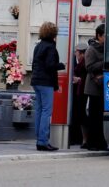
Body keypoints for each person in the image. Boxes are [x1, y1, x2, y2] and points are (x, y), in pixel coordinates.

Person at [30, 21, 65, 151]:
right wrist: (61, 65)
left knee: (39, 110)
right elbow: (50, 66)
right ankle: (43, 141)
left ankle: (39, 139)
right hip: (46, 82)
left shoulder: (38, 46)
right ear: (53, 33)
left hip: (36, 81)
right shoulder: (50, 47)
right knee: (46, 111)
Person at [84, 24, 109, 150]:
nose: (107, 38)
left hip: (105, 86)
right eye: (105, 36)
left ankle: (102, 142)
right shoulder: (91, 49)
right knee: (94, 117)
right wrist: (105, 63)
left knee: (101, 117)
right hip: (94, 87)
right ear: (99, 36)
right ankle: (91, 143)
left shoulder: (108, 48)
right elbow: (89, 67)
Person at [70, 42, 89, 148]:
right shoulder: (78, 62)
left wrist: (79, 80)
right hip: (78, 92)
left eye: (76, 52)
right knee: (79, 115)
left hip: (83, 92)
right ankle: (80, 139)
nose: (75, 54)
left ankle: (84, 139)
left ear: (81, 53)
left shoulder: (84, 63)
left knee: (83, 116)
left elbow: (86, 77)